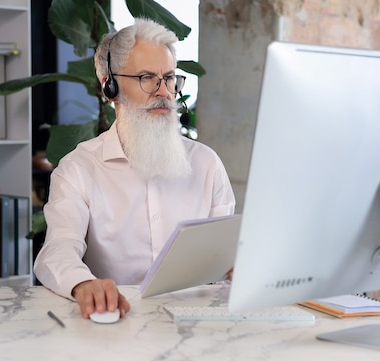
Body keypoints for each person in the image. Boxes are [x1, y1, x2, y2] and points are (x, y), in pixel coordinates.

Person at [34, 18, 236, 320]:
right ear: (110, 86)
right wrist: (83, 284)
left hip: (195, 324)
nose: (164, 92)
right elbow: (58, 249)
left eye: (169, 78)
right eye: (147, 78)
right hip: (114, 323)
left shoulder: (206, 164)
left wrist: (236, 266)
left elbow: (225, 258)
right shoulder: (78, 169)